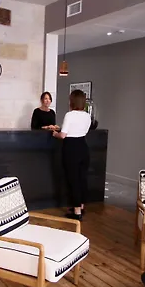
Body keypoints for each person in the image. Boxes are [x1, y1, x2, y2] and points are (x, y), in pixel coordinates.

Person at [53, 90, 91, 220]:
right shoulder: (87, 116)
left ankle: (76, 212)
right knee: (82, 178)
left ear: (72, 101)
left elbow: (63, 135)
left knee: (73, 180)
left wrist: (55, 134)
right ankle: (81, 206)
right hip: (83, 147)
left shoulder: (69, 115)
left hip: (71, 149)